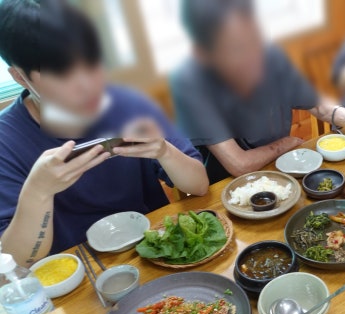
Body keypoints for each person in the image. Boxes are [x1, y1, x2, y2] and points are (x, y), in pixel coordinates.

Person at [0, 0, 209, 266]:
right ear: (20, 77)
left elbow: (198, 185)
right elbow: (17, 260)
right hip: (75, 274)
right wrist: (38, 191)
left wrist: (165, 151)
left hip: (153, 252)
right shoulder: (6, 141)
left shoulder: (128, 102)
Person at [172, 0, 345, 183]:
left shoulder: (270, 55)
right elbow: (239, 165)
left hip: (284, 169)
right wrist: (287, 143)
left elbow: (318, 107)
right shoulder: (192, 82)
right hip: (231, 188)